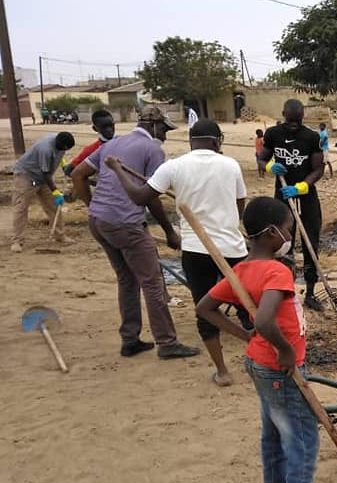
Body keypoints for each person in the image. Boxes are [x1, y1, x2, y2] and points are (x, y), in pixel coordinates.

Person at [196, 197, 333, 483]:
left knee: (273, 439)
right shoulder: (277, 272)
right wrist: (284, 350)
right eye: (288, 228)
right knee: (303, 447)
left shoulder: (242, 270)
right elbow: (264, 320)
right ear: (273, 233)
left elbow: (204, 309)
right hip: (281, 371)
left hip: (259, 365)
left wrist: (249, 340)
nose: (290, 234)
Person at [105, 119, 249, 386]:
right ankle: (259, 356)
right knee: (248, 304)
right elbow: (240, 205)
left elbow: (140, 196)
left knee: (206, 309)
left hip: (196, 250)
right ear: (217, 141)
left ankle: (223, 372)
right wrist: (226, 221)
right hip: (231, 247)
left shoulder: (173, 166)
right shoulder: (231, 165)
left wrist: (117, 169)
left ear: (191, 142)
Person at [71, 107, 200, 360]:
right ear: (152, 125)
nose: (164, 135)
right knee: (152, 282)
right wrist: (169, 232)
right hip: (126, 225)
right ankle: (167, 343)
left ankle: (130, 340)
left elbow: (78, 174)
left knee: (126, 280)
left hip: (99, 222)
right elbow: (151, 197)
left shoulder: (113, 143)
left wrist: (94, 205)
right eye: (163, 129)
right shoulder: (153, 149)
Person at [259, 99, 326, 311]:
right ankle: (283, 293)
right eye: (290, 121)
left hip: (305, 197)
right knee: (282, 245)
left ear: (302, 117)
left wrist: (302, 186)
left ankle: (311, 292)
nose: (293, 125)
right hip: (282, 199)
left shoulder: (311, 137)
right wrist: (270, 166)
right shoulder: (272, 134)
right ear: (283, 115)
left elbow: (318, 168)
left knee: (310, 243)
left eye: (297, 121)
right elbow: (261, 159)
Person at [10, 132, 76, 252]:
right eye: (64, 148)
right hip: (27, 175)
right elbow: (45, 174)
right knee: (21, 207)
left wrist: (63, 164)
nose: (64, 150)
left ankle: (59, 235)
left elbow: (59, 155)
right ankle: (17, 241)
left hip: (44, 177)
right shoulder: (45, 149)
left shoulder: (61, 142)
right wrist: (55, 191)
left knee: (54, 206)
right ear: (59, 143)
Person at [63, 110, 115, 177]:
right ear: (95, 128)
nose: (109, 129)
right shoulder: (91, 150)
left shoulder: (122, 142)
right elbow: (69, 170)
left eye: (111, 125)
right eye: (104, 127)